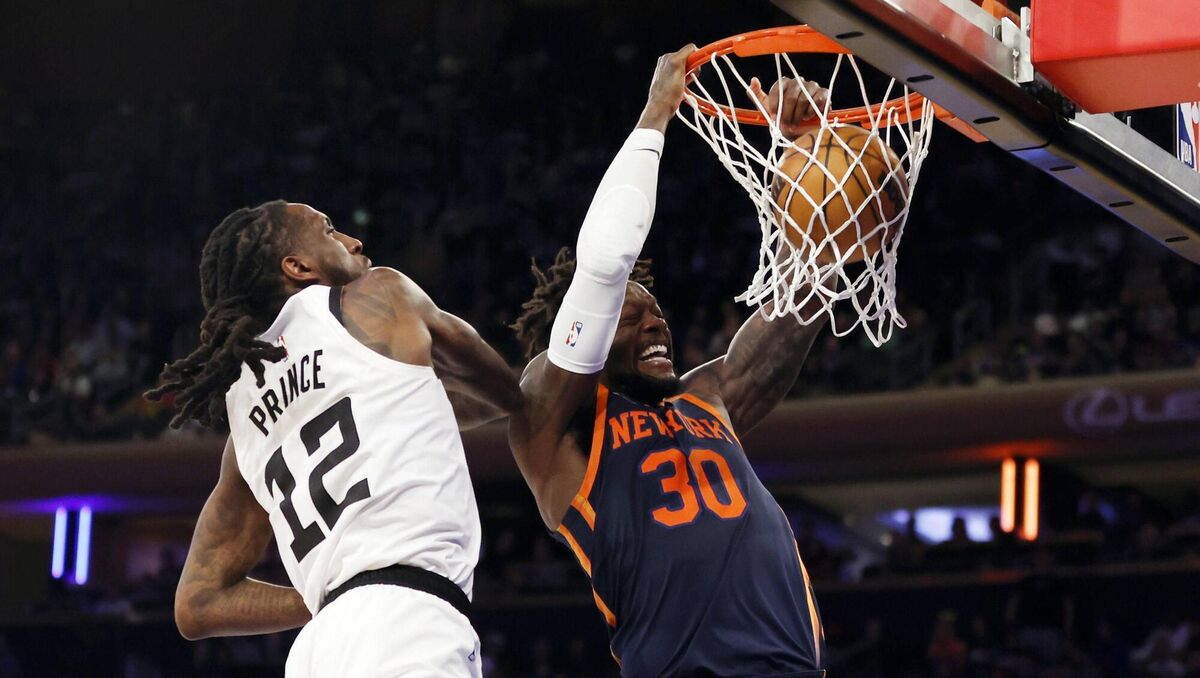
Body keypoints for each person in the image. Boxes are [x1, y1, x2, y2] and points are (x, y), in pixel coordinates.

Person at [507, 45, 830, 677]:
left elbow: (806, 289)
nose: (656, 323)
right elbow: (605, 264)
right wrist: (657, 113)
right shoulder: (550, 422)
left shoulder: (706, 395)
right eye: (632, 316)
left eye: (657, 312)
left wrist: (809, 154)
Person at [147, 201, 521, 677]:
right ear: (298, 267)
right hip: (407, 623)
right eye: (329, 231)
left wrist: (329, 601)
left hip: (319, 647)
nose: (353, 241)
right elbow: (507, 393)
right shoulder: (378, 296)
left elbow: (198, 603)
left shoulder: (245, 421)